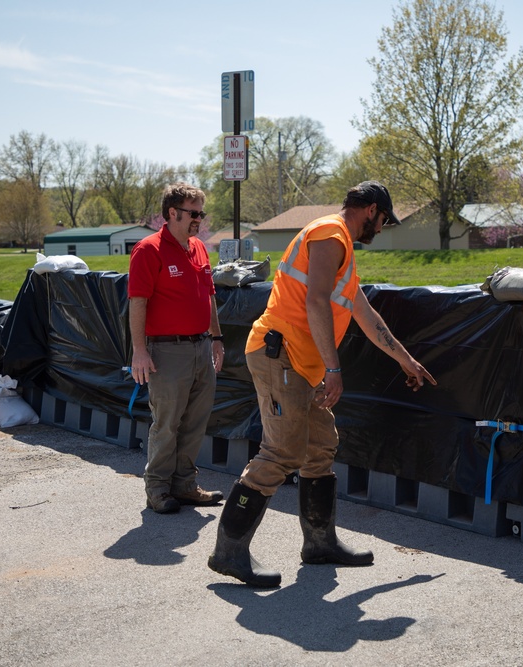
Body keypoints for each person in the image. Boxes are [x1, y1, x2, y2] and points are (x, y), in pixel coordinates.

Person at [208, 180, 437, 587]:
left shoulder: (342, 251)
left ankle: (319, 543)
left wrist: (407, 360)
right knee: (281, 452)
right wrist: (334, 370)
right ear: (369, 209)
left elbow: (367, 317)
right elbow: (315, 300)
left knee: (320, 447)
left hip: (300, 365)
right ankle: (228, 552)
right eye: (382, 219)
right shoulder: (331, 233)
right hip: (282, 357)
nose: (381, 228)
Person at [128, 182, 225, 514]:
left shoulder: (198, 247)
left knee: (196, 420)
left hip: (200, 347)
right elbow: (137, 303)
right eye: (193, 213)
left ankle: (184, 484)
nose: (199, 219)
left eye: (201, 212)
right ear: (172, 213)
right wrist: (139, 351)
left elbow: (208, 296)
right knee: (167, 422)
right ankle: (157, 488)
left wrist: (216, 339)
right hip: (167, 351)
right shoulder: (148, 249)